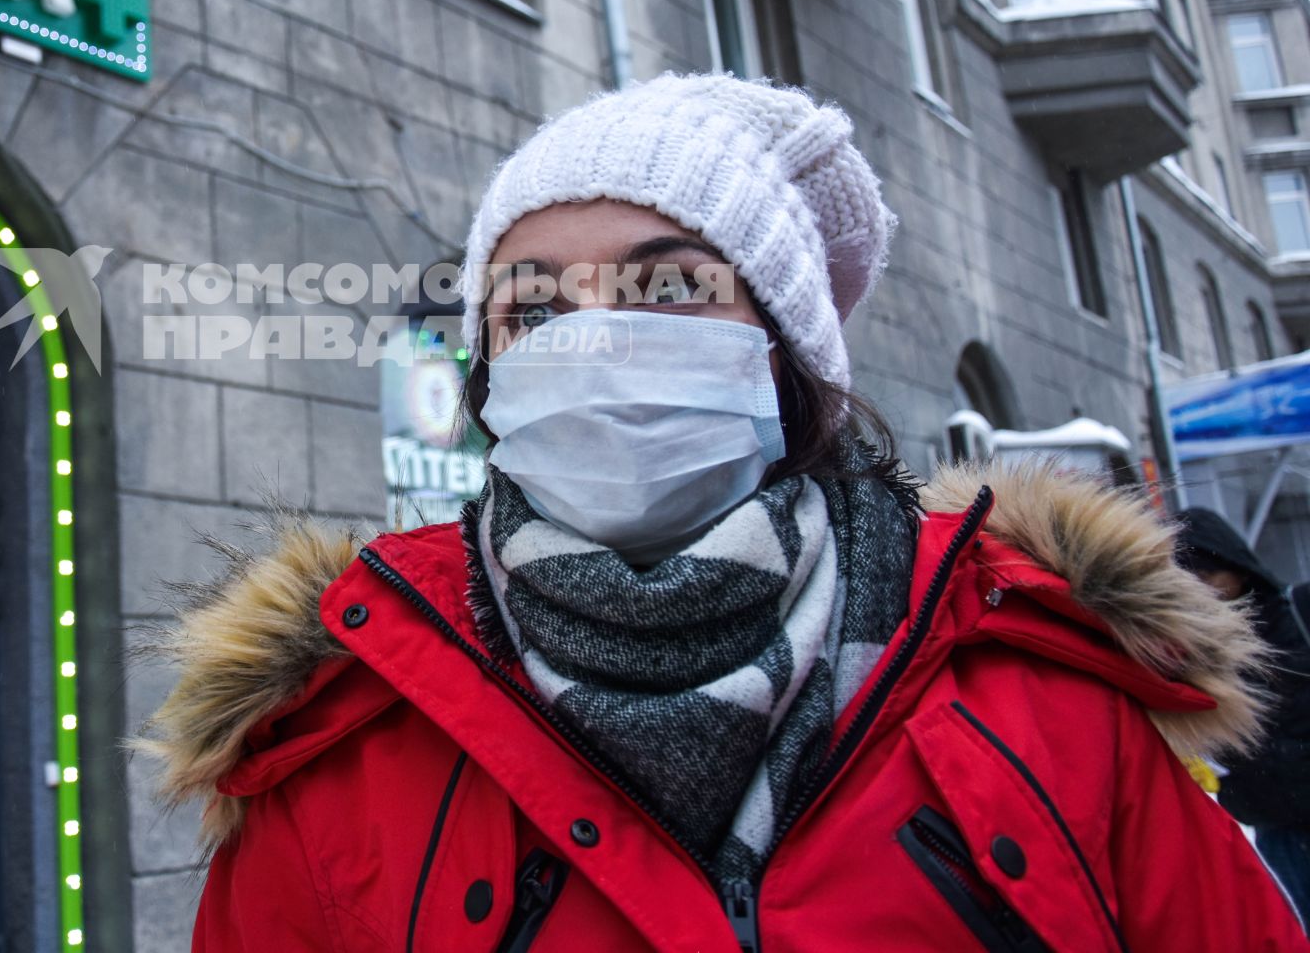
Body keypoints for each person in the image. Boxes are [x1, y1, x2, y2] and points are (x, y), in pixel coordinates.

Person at [138, 72, 1305, 950]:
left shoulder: (1037, 681)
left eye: (668, 285)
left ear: (785, 352)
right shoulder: (340, 728)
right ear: (489, 379)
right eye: (532, 305)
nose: (592, 336)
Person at [1175, 504, 1310, 925]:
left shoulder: (1300, 614)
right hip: (1274, 825)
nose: (1205, 587)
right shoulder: (1188, 650)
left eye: (1209, 571)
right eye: (1189, 577)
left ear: (1236, 565)